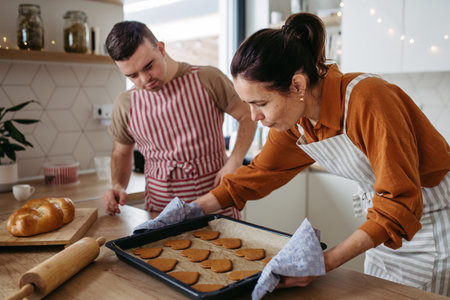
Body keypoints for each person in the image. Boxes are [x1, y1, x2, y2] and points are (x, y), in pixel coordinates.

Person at [135, 13, 450, 296]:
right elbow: (255, 177)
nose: (254, 116)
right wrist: (191, 210)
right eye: (248, 104)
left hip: (431, 230)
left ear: (297, 85)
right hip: (383, 229)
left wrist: (324, 262)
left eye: (260, 103)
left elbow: (398, 200)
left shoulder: (368, 99)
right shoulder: (297, 122)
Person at [102, 21, 257, 219]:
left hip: (218, 207)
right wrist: (118, 186)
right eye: (133, 75)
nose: (145, 79)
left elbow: (247, 116)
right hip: (160, 213)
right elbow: (121, 154)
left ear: (161, 48)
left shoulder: (207, 78)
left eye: (149, 66)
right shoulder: (125, 104)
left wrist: (234, 161)